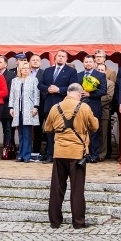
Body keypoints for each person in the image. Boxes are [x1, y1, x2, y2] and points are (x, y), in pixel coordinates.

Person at [44, 83, 98, 229]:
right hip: (77, 153)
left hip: (59, 152)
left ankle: (54, 221)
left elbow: (47, 128)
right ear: (80, 94)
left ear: (67, 93)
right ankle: (78, 222)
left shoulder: (55, 107)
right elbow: (94, 126)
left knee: (56, 188)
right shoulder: (84, 107)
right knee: (77, 189)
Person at [38, 50, 78, 164]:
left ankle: (61, 155)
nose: (60, 58)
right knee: (50, 130)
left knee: (62, 130)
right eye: (59, 56)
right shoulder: (48, 70)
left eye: (63, 56)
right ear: (55, 58)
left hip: (64, 105)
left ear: (66, 59)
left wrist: (59, 90)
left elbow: (73, 87)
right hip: (49, 105)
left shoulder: (71, 71)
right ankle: (50, 155)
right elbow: (40, 84)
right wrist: (48, 89)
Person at [77, 55, 107, 163]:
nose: (88, 64)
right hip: (80, 107)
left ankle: (94, 155)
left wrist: (90, 94)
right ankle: (82, 154)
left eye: (90, 62)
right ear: (83, 63)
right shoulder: (78, 75)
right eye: (86, 62)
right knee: (81, 131)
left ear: (94, 63)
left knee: (94, 132)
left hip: (94, 107)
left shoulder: (100, 75)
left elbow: (103, 91)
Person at [9, 61, 40, 163]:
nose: (26, 70)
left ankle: (26, 155)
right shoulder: (15, 81)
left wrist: (35, 107)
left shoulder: (33, 80)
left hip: (29, 109)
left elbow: (37, 94)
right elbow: (12, 95)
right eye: (24, 68)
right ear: (20, 70)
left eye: (28, 68)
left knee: (27, 133)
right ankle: (20, 155)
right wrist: (11, 107)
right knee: (20, 133)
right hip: (18, 109)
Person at [0, 55, 16, 150]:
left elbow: (10, 92)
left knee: (7, 130)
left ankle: (7, 150)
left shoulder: (11, 75)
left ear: (5, 64)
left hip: (6, 106)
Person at [96, 63, 115, 161]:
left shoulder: (110, 83)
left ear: (105, 72)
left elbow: (109, 97)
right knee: (93, 133)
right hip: (92, 112)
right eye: (98, 70)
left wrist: (94, 100)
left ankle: (102, 154)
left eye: (102, 70)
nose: (100, 71)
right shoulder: (91, 82)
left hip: (104, 111)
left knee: (103, 135)